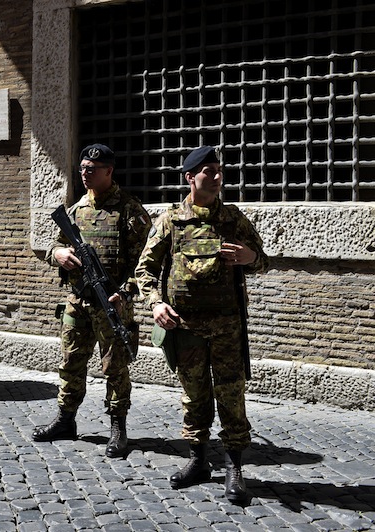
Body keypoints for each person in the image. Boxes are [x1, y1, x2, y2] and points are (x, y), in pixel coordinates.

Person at [132, 145, 269, 504]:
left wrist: (250, 257)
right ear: (190, 177)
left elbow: (264, 261)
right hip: (185, 327)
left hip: (227, 328)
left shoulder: (233, 219)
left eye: (220, 170)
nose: (218, 177)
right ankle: (197, 461)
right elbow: (144, 269)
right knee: (193, 396)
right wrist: (156, 303)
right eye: (209, 171)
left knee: (231, 394)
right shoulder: (170, 221)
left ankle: (234, 468)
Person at [33, 143, 152, 458]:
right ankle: (65, 419)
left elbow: (146, 265)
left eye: (92, 169)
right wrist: (59, 254)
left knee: (115, 367)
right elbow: (52, 247)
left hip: (112, 303)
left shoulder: (130, 211)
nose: (84, 173)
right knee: (71, 363)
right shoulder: (75, 210)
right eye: (82, 168)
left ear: (109, 171)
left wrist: (125, 293)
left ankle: (118, 427)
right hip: (77, 301)